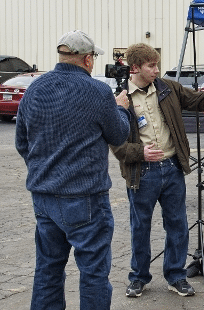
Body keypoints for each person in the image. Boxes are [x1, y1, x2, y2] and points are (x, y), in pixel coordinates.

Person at [111, 43, 204, 298]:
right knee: (140, 227)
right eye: (151, 66)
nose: (157, 70)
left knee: (178, 225)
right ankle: (139, 278)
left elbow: (199, 99)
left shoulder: (168, 89)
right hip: (142, 173)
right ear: (134, 67)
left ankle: (176, 276)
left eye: (157, 64)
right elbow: (114, 141)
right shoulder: (120, 98)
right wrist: (139, 153)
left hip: (171, 168)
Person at [15, 30, 131, 310]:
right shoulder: (99, 91)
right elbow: (119, 136)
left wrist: (45, 170)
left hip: (44, 196)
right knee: (93, 273)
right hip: (85, 197)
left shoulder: (35, 89)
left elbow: (22, 142)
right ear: (88, 59)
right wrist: (122, 109)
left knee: (48, 270)